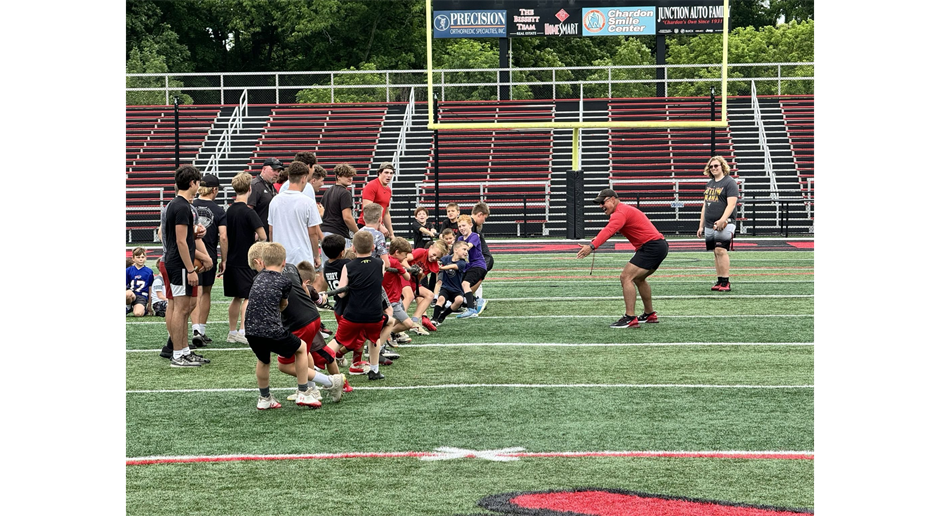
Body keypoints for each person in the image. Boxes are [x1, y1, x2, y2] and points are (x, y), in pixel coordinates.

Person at [576, 188, 669, 329]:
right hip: (658, 246)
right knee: (638, 278)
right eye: (599, 204)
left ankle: (630, 317)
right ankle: (649, 314)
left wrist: (592, 246)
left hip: (651, 247)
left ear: (612, 199)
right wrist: (596, 240)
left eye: (602, 203)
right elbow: (611, 229)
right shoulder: (623, 211)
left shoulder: (620, 212)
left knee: (626, 277)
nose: (601, 206)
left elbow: (609, 230)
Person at [244, 242, 320, 409]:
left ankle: (264, 398)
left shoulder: (257, 278)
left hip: (250, 329)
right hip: (271, 328)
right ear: (284, 262)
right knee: (301, 348)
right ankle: (303, 392)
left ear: (262, 262)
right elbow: (283, 305)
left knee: (263, 360)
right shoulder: (285, 281)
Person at [163, 165, 213, 367]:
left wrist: (195, 235)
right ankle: (178, 354)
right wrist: (191, 269)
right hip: (179, 264)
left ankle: (183, 350)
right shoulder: (182, 206)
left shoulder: (178, 205)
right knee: (181, 310)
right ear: (192, 183)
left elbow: (181, 237)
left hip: (177, 262)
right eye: (198, 182)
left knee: (184, 309)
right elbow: (181, 242)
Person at [326, 230, 393, 381]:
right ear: (373, 248)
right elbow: (377, 279)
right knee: (373, 340)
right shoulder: (380, 263)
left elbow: (341, 293)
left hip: (353, 314)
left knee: (338, 340)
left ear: (353, 248)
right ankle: (374, 371)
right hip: (374, 314)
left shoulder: (348, 267)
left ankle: (317, 364)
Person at [223, 172, 267, 344]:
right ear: (249, 189)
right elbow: (263, 235)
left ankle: (233, 331)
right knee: (248, 296)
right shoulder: (249, 212)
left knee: (236, 298)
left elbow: (224, 235)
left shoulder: (228, 211)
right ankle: (243, 330)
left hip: (232, 259)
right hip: (246, 261)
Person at [191, 174, 227, 347]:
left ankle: (195, 328)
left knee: (194, 292)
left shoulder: (190, 205)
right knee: (205, 292)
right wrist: (224, 259)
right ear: (214, 189)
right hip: (209, 254)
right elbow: (224, 236)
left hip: (191, 254)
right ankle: (201, 330)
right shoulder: (219, 210)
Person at [268, 161, 322, 268]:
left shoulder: (275, 201)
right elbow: (313, 233)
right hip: (302, 257)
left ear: (289, 177)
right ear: (303, 178)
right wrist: (316, 255)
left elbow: (271, 231)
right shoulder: (308, 202)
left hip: (281, 258)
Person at [697, 156, 739, 292]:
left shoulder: (729, 182)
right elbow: (705, 205)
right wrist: (701, 225)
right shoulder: (709, 184)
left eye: (716, 166)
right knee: (715, 252)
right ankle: (720, 280)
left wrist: (723, 219)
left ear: (722, 166)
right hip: (709, 224)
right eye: (711, 166)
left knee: (721, 250)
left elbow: (732, 204)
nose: (714, 168)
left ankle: (726, 281)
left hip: (726, 222)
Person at [320, 163, 359, 250]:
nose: (350, 178)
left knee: (327, 263)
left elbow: (321, 211)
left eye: (351, 176)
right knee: (342, 262)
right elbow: (347, 217)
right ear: (338, 176)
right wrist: (358, 232)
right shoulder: (345, 193)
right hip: (338, 235)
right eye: (346, 176)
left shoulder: (328, 191)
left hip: (324, 233)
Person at [430, 241, 469, 326]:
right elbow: (439, 260)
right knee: (441, 299)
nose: (466, 252)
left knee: (460, 300)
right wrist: (437, 263)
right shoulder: (447, 258)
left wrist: (442, 268)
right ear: (455, 250)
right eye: (464, 249)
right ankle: (434, 318)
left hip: (457, 289)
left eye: (467, 250)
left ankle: (443, 316)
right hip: (446, 287)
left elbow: (454, 266)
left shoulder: (462, 263)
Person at [247, 157, 284, 238]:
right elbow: (248, 210)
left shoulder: (271, 186)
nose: (277, 174)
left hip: (271, 233)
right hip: (260, 236)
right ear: (264, 169)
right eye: (274, 170)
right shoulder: (255, 185)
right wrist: (254, 231)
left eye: (278, 171)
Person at [357, 162, 395, 238]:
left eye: (391, 173)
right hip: (367, 225)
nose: (389, 175)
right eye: (386, 172)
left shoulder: (388, 190)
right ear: (379, 173)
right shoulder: (372, 185)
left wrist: (391, 234)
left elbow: (386, 213)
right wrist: (380, 226)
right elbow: (367, 210)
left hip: (378, 226)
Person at [125, 247, 154, 317]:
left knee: (138, 314)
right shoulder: (128, 270)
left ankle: (141, 309)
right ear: (133, 258)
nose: (140, 259)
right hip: (130, 294)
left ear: (145, 258)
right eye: (138, 257)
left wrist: (149, 305)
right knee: (127, 294)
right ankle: (128, 306)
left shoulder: (149, 272)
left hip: (141, 296)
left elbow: (150, 288)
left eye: (142, 257)